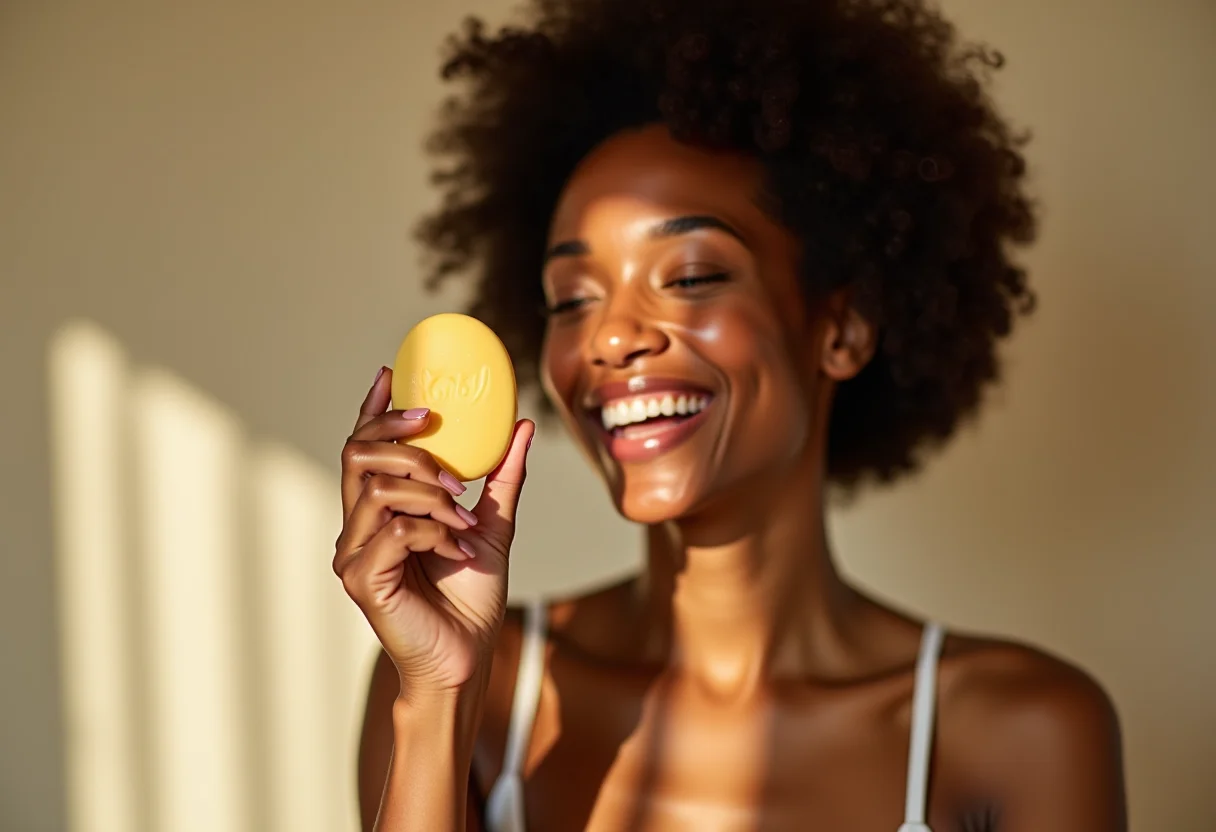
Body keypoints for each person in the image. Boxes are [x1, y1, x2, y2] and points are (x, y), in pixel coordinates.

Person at [333, 0, 1127, 828]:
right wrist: (438, 696)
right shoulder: (476, 686)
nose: (608, 337)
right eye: (572, 299)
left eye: (691, 276)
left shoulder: (1020, 730)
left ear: (843, 330)